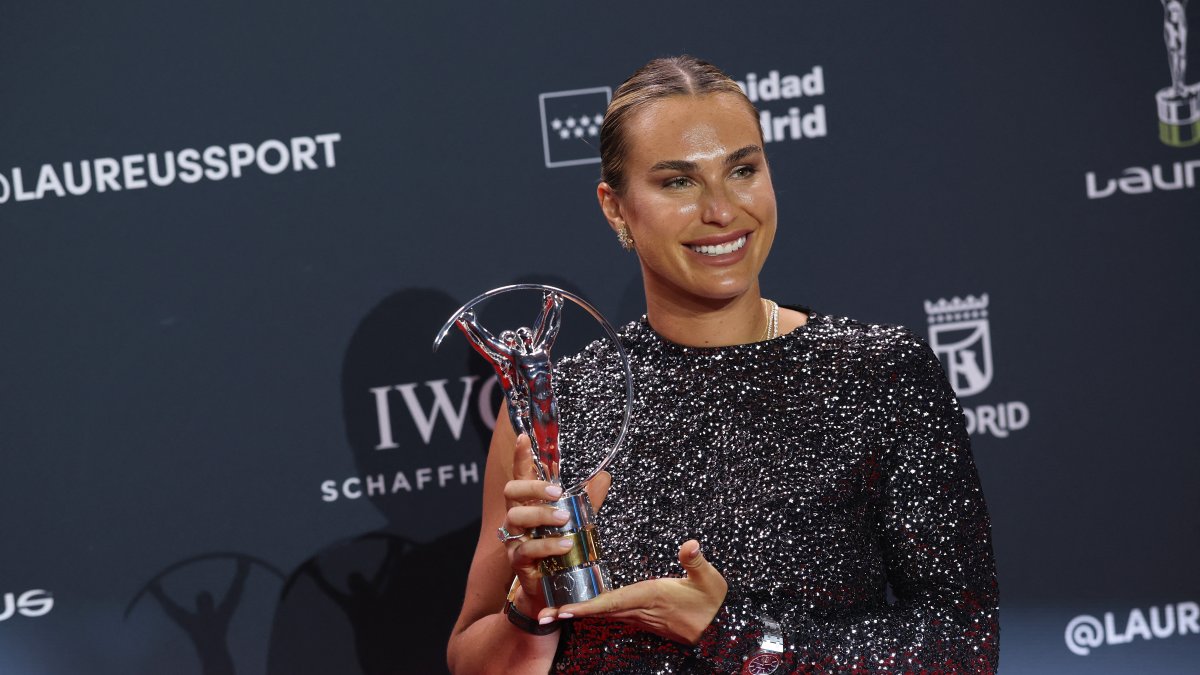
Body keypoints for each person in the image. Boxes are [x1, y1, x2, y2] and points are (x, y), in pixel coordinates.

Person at [446, 55, 999, 674]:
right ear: (615, 207)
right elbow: (475, 661)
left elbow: (963, 648)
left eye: (743, 169)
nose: (722, 210)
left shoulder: (880, 374)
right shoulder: (557, 405)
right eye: (677, 182)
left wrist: (733, 637)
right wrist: (531, 606)